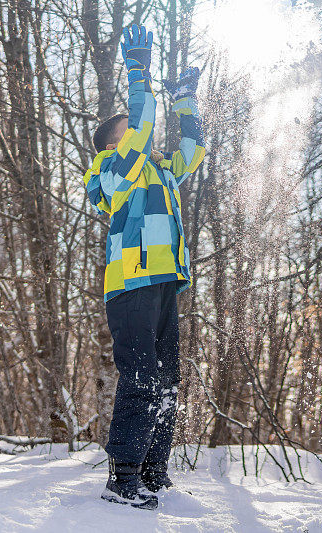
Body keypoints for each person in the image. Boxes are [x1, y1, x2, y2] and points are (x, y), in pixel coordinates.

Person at [82, 24, 205, 510]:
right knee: (141, 378)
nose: (135, 130)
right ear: (113, 142)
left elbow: (192, 151)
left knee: (167, 381)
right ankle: (124, 475)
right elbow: (143, 126)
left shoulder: (157, 169)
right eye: (126, 127)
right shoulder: (111, 172)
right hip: (130, 285)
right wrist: (138, 72)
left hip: (164, 284)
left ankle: (155, 471)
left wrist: (185, 100)